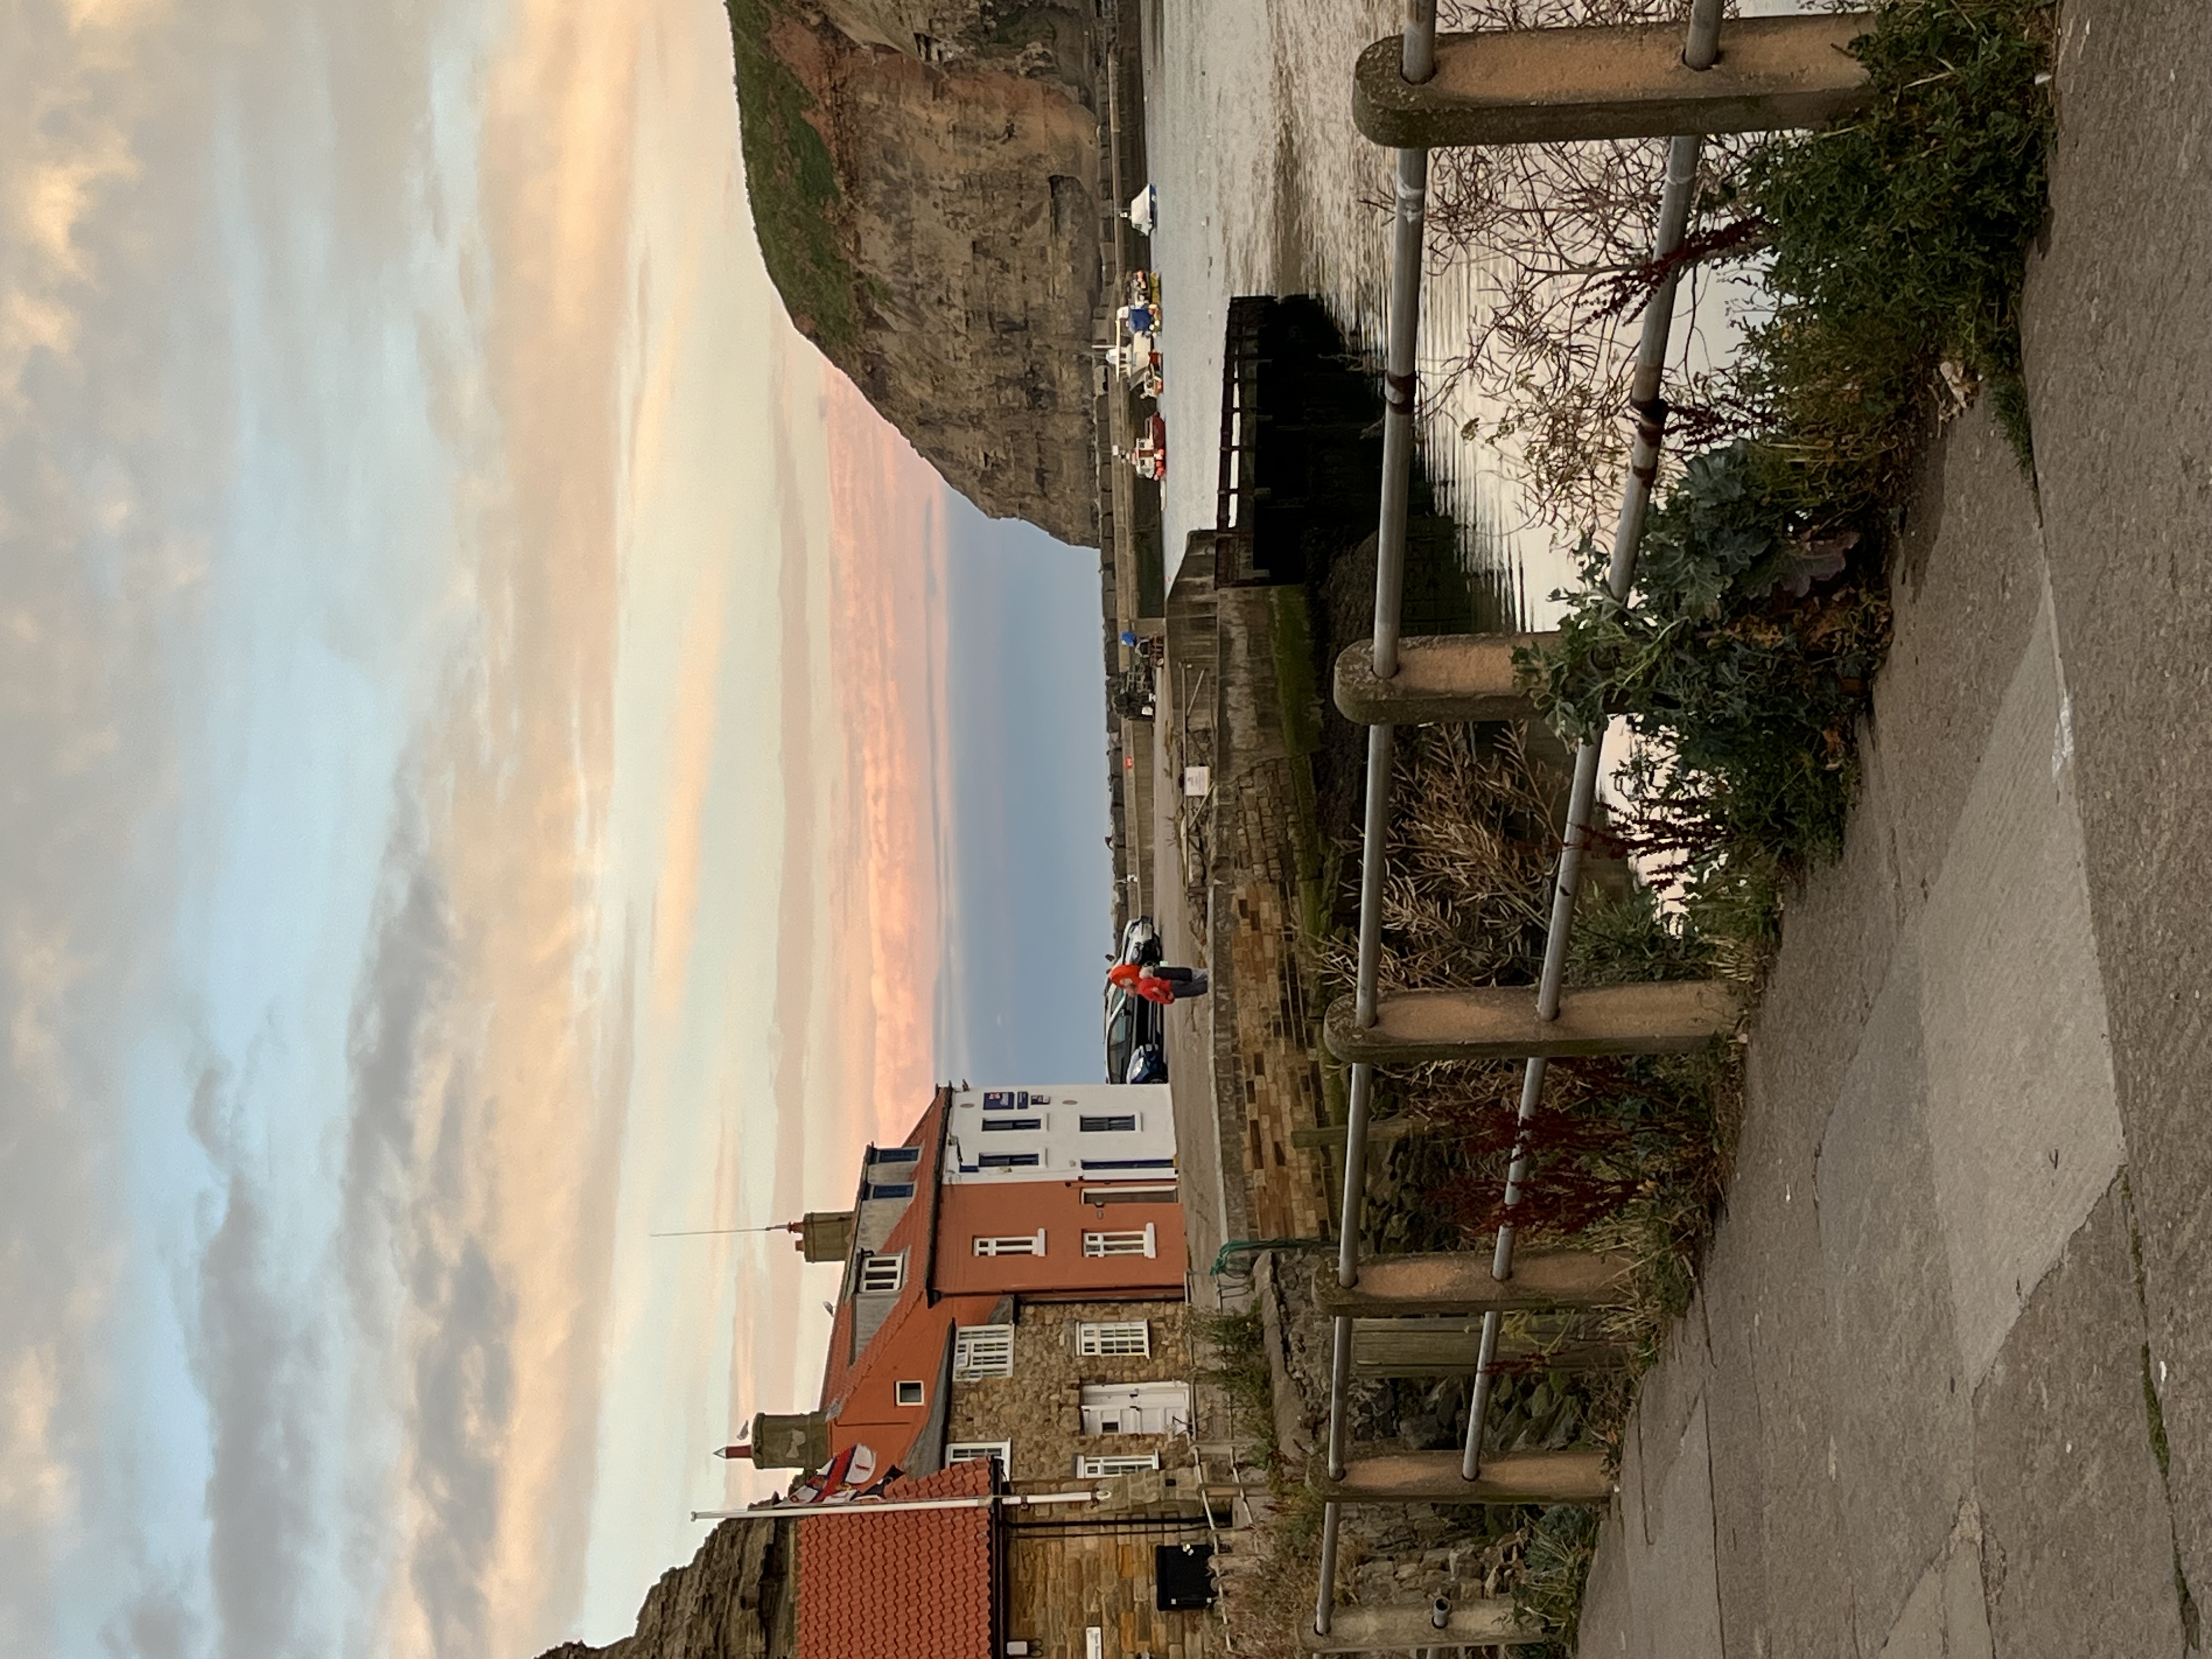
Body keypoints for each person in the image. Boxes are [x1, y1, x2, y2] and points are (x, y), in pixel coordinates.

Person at [1108, 960, 1209, 1003]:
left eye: (1127, 992)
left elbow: (1155, 990)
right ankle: (1208, 974)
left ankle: (1211, 983)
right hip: (1168, 978)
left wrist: (1166, 998)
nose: (1128, 994)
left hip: (1169, 989)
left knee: (1194, 989)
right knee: (1191, 976)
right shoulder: (1143, 978)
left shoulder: (1143, 990)